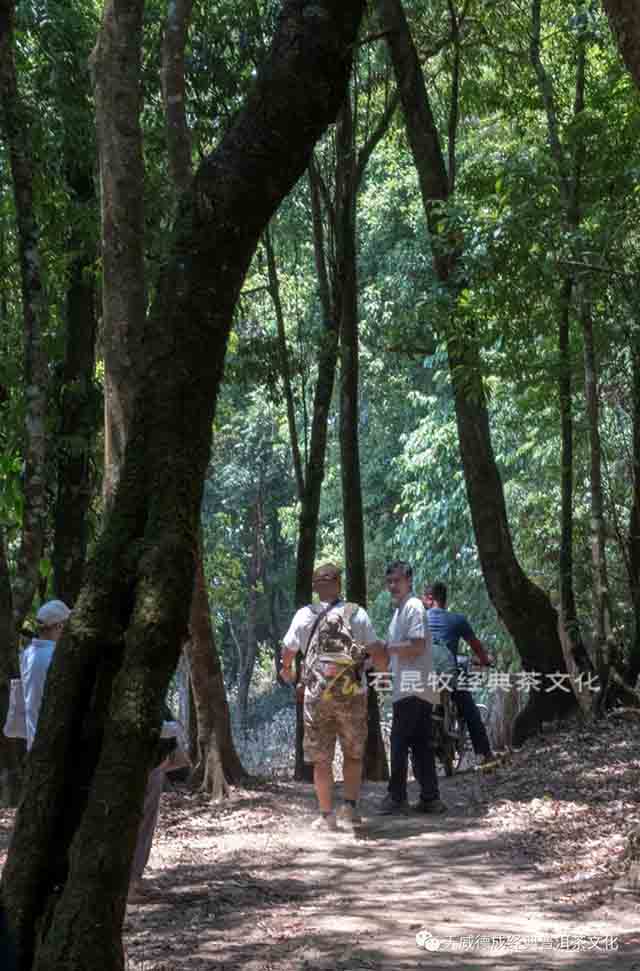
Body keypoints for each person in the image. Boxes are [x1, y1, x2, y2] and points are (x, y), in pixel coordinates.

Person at [281, 562, 380, 832]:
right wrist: (380, 669)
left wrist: (287, 671)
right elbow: (376, 650)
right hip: (352, 696)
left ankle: (326, 816)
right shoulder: (356, 614)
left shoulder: (304, 615)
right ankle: (349, 808)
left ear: (315, 586)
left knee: (321, 759)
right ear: (339, 584)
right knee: (353, 754)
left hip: (317, 696)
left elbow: (288, 652)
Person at [369, 561, 446, 816]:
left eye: (397, 580)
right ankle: (430, 797)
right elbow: (395, 653)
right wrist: (371, 662)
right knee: (420, 744)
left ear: (409, 581)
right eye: (389, 581)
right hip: (411, 686)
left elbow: (417, 645)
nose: (393, 586)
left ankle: (397, 795)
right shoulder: (399, 612)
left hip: (414, 686)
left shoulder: (413, 607)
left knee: (400, 741)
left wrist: (386, 646)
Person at [423, 582, 495, 766]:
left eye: (425, 597)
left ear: (430, 598)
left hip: (421, 676)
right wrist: (485, 660)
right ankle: (485, 754)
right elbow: (477, 647)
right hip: (449, 674)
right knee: (469, 709)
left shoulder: (419, 619)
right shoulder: (457, 619)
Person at [20, 599, 71, 750]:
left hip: (32, 743)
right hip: (53, 747)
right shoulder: (56, 657)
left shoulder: (27, 654)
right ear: (59, 626)